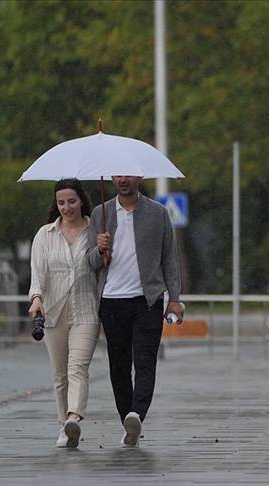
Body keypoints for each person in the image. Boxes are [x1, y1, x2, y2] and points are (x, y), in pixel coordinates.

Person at [87, 175, 183, 447]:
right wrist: (100, 249)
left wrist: (174, 298)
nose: (123, 179)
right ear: (113, 178)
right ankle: (127, 420)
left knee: (144, 361)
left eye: (129, 174)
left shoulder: (158, 213)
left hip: (147, 300)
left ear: (140, 177)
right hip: (111, 300)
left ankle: (136, 413)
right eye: (118, 174)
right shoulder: (100, 214)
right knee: (118, 366)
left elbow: (169, 259)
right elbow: (89, 261)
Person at [28, 179, 100, 449]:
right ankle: (64, 426)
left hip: (86, 311)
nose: (67, 207)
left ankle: (74, 419)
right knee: (59, 375)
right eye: (61, 202)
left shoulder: (95, 230)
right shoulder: (45, 235)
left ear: (81, 200)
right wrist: (36, 299)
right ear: (55, 204)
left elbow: (103, 266)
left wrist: (104, 248)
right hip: (53, 313)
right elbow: (38, 275)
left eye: (71, 201)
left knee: (77, 368)